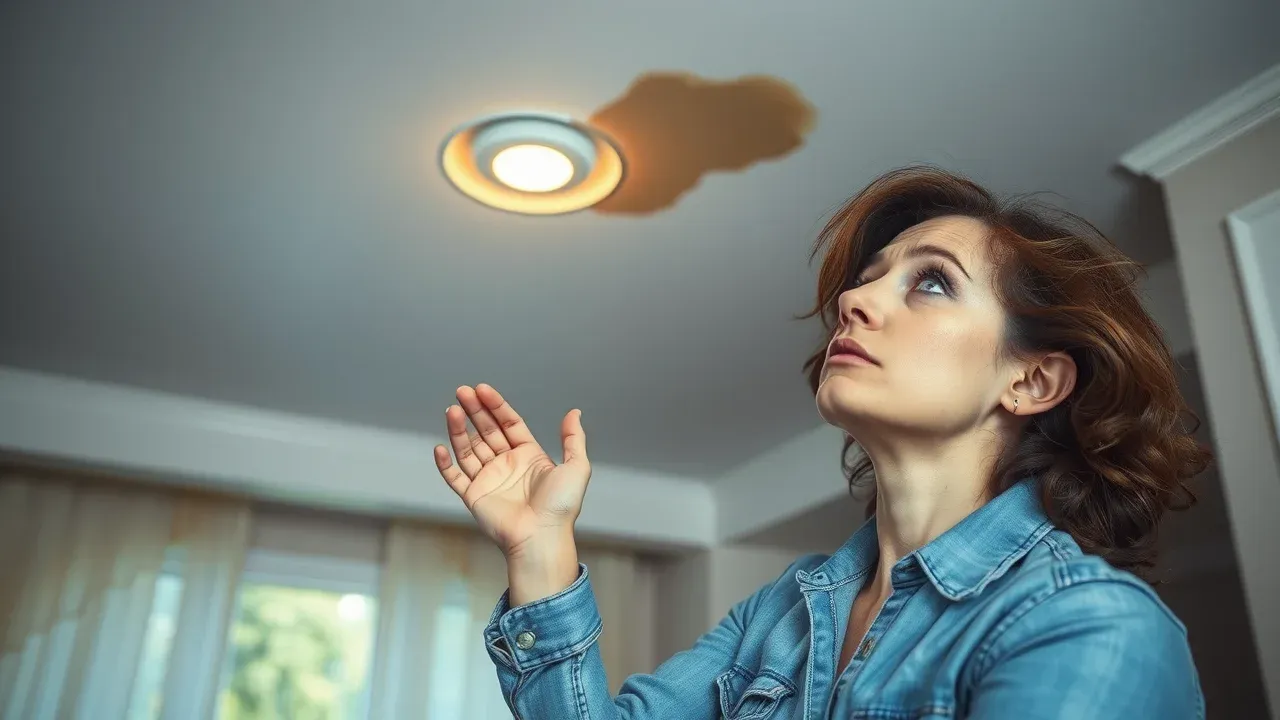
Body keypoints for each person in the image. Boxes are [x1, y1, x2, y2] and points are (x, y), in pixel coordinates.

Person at [433, 166, 1210, 719]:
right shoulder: (779, 614)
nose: (854, 299)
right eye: (868, 277)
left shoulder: (1090, 626)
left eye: (932, 281)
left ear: (1033, 381)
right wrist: (540, 552)